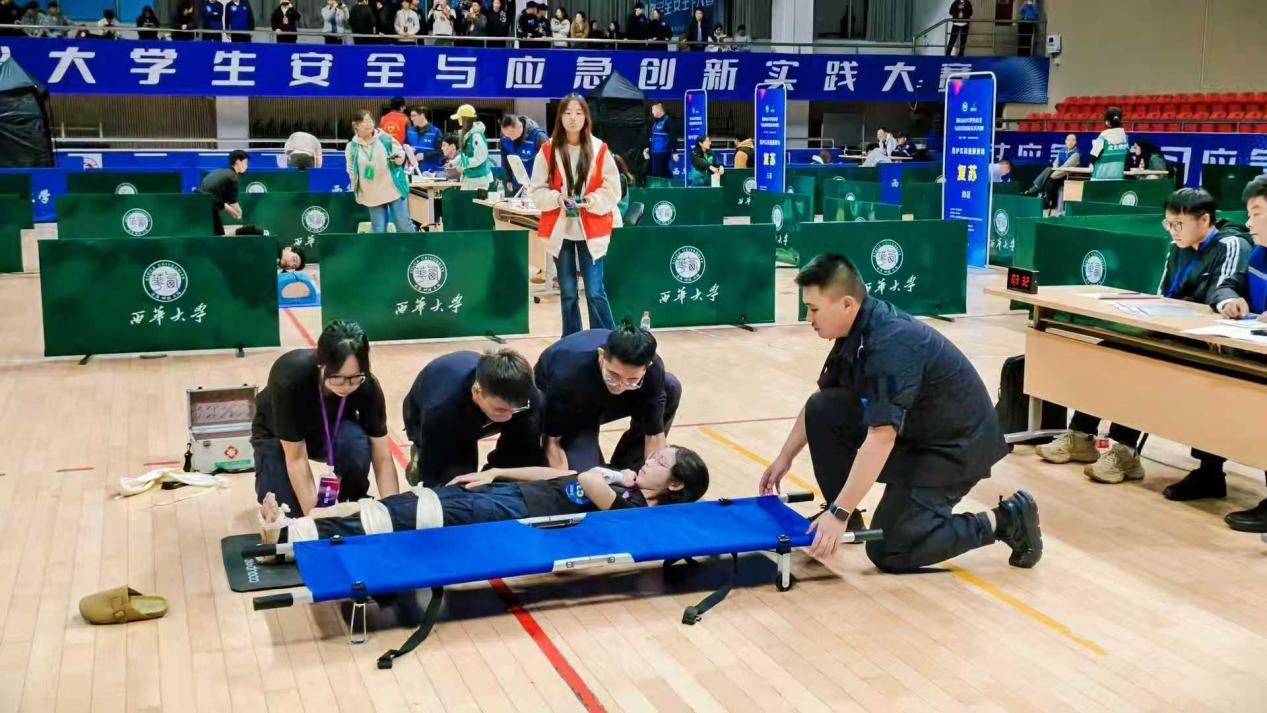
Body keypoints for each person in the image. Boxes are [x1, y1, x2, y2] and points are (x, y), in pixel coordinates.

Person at [760, 253, 1042, 570]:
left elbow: (881, 437)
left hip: (954, 450)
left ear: (847, 304)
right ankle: (848, 519)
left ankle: (1006, 519)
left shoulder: (891, 344)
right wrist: (784, 458)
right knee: (824, 408)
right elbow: (821, 400)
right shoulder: (855, 330)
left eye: (813, 309)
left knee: (890, 549)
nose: (808, 318)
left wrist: (837, 513)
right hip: (916, 434)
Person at [1036, 188, 1249, 497]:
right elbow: (1164, 295)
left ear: (1204, 220)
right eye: (1168, 224)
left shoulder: (1230, 244)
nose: (1172, 231)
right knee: (1111, 350)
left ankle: (1125, 451)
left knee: (1143, 365)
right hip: (1172, 332)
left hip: (1209, 341)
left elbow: (1222, 292)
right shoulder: (1177, 247)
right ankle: (1081, 436)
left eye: (1178, 224)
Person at [257, 445, 710, 545]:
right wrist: (495, 471)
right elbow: (562, 474)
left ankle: (291, 535)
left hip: (513, 516)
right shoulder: (624, 485)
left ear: (674, 485)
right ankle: (305, 523)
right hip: (512, 494)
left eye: (660, 462)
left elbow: (590, 480)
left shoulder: (636, 510)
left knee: (415, 514)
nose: (649, 460)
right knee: (415, 501)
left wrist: (619, 477)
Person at [251, 320, 400, 516]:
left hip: (329, 432)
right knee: (288, 513)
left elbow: (382, 456)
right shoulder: (289, 378)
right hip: (278, 435)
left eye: (356, 377)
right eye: (337, 378)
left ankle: (352, 499)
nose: (347, 386)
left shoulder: (368, 387)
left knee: (355, 443)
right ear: (321, 364)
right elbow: (296, 459)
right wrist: (316, 520)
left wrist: (394, 510)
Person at [528, 94, 620, 336]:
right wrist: (557, 198)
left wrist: (591, 201)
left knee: (595, 291)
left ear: (586, 117)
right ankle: (571, 340)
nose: (573, 118)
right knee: (568, 292)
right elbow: (536, 190)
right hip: (561, 229)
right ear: (560, 117)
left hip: (592, 227)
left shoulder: (599, 149)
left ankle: (607, 340)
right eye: (567, 113)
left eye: (579, 113)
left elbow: (613, 189)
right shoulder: (547, 150)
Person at [535, 325, 681, 472]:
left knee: (670, 386)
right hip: (574, 406)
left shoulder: (653, 369)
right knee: (585, 475)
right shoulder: (567, 374)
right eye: (613, 375)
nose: (620, 386)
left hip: (609, 400)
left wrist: (654, 474)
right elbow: (552, 441)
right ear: (601, 356)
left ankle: (629, 463)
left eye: (632, 380)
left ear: (647, 367)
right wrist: (565, 479)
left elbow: (654, 434)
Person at [402, 349, 544, 488]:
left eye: (515, 408)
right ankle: (416, 466)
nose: (509, 416)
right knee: (456, 480)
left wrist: (496, 478)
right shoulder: (441, 410)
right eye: (501, 409)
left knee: (516, 463)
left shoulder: (526, 396)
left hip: (479, 410)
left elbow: (522, 457)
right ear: (476, 391)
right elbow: (433, 475)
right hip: (439, 416)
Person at [1211, 176, 1267, 532]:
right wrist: (1229, 300)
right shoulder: (1259, 254)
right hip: (1254, 354)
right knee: (1212, 379)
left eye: (1256, 213)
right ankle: (1208, 470)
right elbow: (1228, 285)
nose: (1249, 223)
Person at [345, 108, 415, 234]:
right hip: (371, 192)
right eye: (364, 122)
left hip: (393, 188)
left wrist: (398, 158)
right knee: (378, 229)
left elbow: (401, 157)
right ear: (356, 125)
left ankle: (414, 247)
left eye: (370, 121)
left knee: (403, 225)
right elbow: (351, 170)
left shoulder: (385, 139)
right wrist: (356, 190)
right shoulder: (352, 147)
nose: (369, 124)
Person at [1022, 133, 1079, 210]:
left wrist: (1054, 173)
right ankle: (1047, 200)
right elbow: (1055, 162)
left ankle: (1035, 189)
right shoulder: (1062, 150)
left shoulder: (1076, 154)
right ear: (1065, 141)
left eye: (1073, 140)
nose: (1070, 142)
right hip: (1058, 173)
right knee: (1049, 178)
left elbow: (1066, 166)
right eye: (1068, 140)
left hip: (1067, 175)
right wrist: (1055, 170)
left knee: (1048, 172)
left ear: (1075, 142)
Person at [199, 150, 248, 237]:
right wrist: (240, 213)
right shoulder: (232, 177)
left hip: (201, 204)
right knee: (218, 236)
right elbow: (233, 203)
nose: (246, 166)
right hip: (208, 208)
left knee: (217, 233)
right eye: (245, 163)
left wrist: (234, 213)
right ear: (238, 162)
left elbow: (219, 202)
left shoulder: (220, 173)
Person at [500, 114, 548, 194]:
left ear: (520, 126)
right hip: (517, 184)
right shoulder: (505, 136)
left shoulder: (538, 137)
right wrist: (509, 179)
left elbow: (549, 161)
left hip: (536, 185)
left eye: (511, 134)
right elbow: (505, 158)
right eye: (507, 136)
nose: (510, 138)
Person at [449, 104, 493, 190]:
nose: (459, 122)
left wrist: (464, 165)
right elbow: (464, 155)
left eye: (460, 119)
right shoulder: (468, 135)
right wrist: (453, 163)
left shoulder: (476, 136)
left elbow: (480, 158)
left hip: (479, 179)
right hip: (469, 177)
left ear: (466, 119)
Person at [1089, 106, 1129, 180]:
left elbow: (1093, 157)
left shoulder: (1103, 137)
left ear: (1107, 122)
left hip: (1099, 179)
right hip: (1118, 179)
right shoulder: (1125, 138)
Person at [407, 106, 444, 172]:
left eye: (414, 116)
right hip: (413, 171)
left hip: (430, 172)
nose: (411, 119)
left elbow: (441, 152)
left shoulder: (436, 132)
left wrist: (424, 156)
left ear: (422, 116)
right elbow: (404, 148)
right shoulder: (409, 131)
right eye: (411, 116)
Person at [646, 101, 675, 180]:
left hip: (663, 152)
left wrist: (674, 151)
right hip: (655, 152)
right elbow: (653, 137)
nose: (652, 112)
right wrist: (648, 148)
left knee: (658, 173)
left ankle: (669, 184)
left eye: (653, 110)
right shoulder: (656, 122)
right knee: (662, 172)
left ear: (659, 109)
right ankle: (671, 183)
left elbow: (673, 136)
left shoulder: (667, 121)